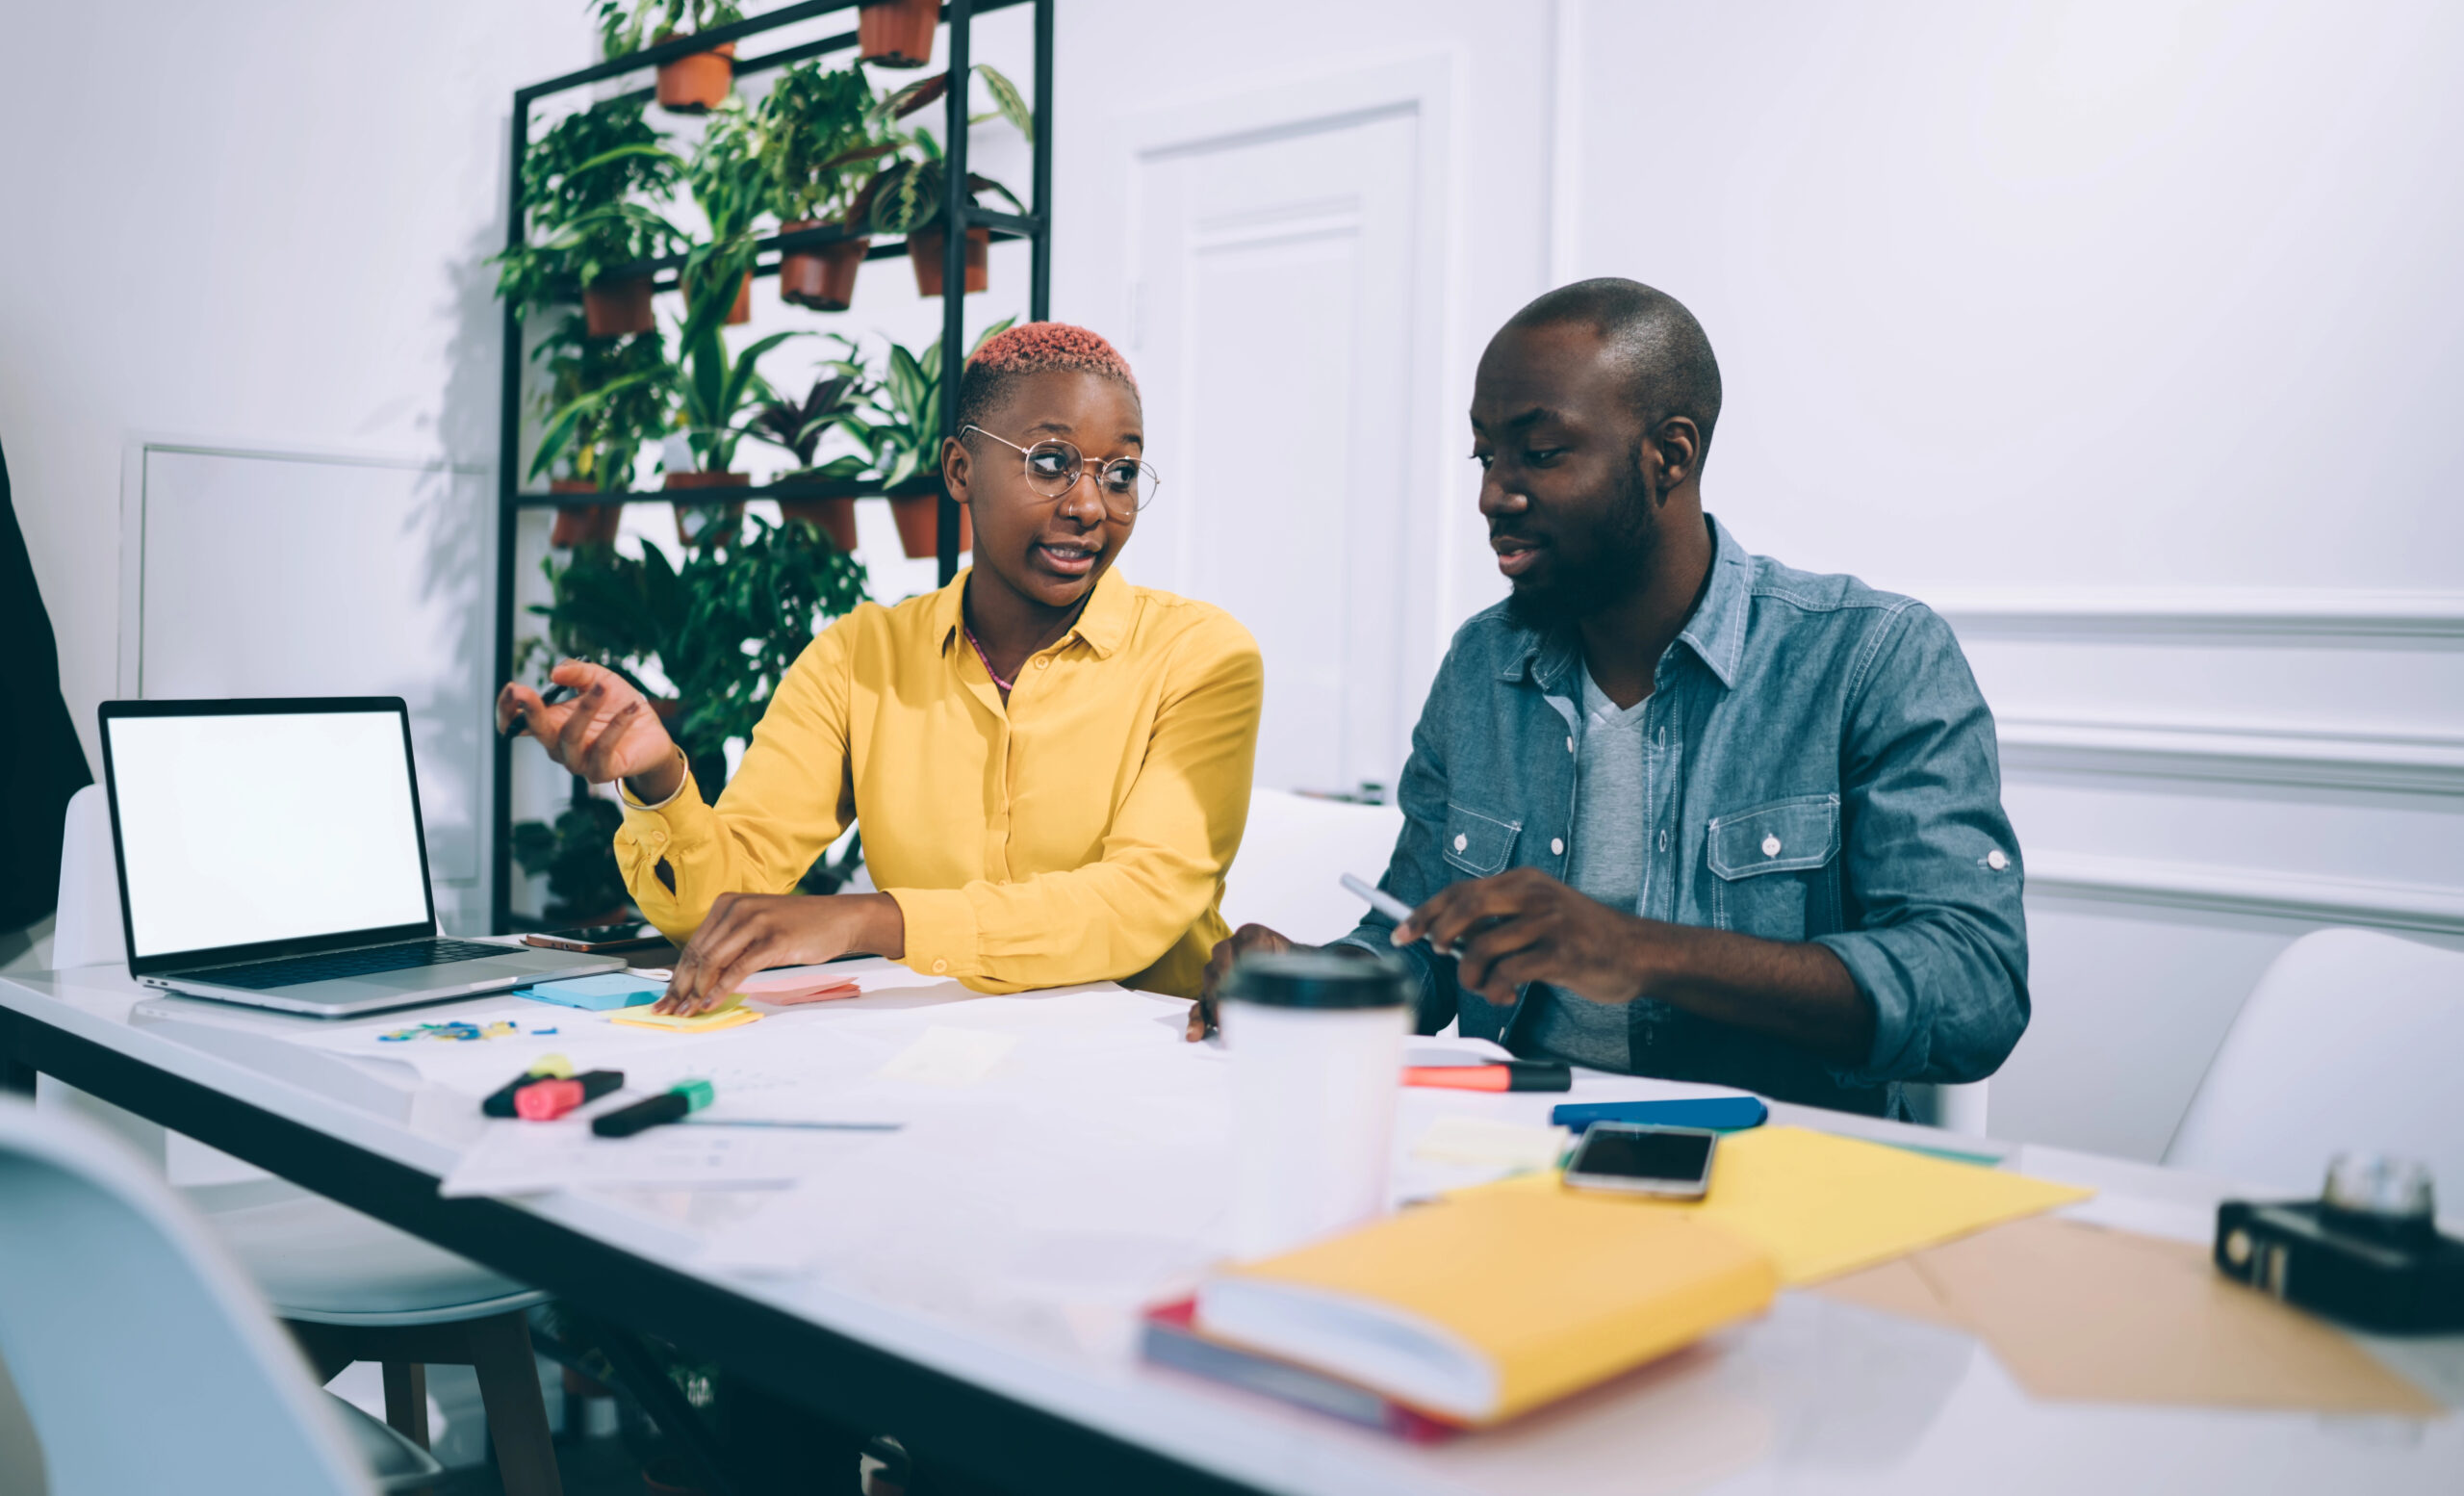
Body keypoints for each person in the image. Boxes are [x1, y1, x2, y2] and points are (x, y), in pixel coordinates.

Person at [1190, 279, 2028, 1117]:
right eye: (1486, 455)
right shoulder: (1484, 664)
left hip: (1772, 1167)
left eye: (1541, 453)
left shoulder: (1870, 658)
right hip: (1510, 1149)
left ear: (1670, 455)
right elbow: (1422, 942)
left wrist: (1638, 952)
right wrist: (1317, 976)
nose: (1494, 494)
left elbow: (1975, 987)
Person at [500, 322, 1264, 1012]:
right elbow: (724, 903)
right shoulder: (858, 658)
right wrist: (658, 777)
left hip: (1140, 1068)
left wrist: (874, 917)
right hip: (934, 1064)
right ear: (961, 471)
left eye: (1121, 473)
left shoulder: (1201, 657)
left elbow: (1137, 904)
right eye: (1052, 462)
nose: (1091, 505)